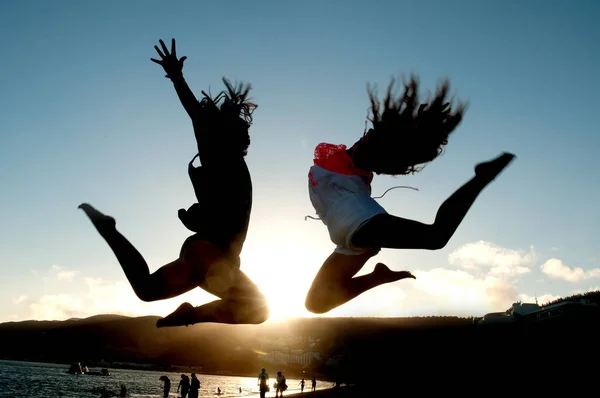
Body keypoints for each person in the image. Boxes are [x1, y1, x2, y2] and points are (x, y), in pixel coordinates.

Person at [79, 38, 269, 327]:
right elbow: (195, 114)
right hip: (211, 255)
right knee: (259, 311)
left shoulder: (231, 165)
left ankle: (109, 231)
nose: (247, 138)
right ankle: (191, 315)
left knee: (146, 289)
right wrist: (177, 77)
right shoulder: (221, 155)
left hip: (202, 255)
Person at [304, 74, 515, 314]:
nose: (367, 137)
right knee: (316, 303)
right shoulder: (343, 160)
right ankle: (378, 277)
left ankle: (482, 177)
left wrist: (404, 138)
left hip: (357, 222)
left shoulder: (352, 162)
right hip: (348, 234)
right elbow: (375, 142)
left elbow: (377, 147)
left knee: (436, 237)